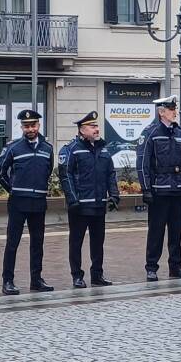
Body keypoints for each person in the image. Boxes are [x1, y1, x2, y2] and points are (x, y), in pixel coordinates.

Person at [0, 109, 55, 295]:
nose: (30, 129)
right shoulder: (13, 148)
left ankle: (36, 279)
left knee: (38, 243)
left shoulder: (48, 148)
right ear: (21, 127)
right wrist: (12, 189)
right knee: (13, 243)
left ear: (38, 125)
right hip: (18, 202)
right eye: (26, 126)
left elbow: (48, 170)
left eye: (33, 125)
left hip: (38, 201)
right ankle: (8, 281)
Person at [58, 111, 119, 288]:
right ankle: (77, 275)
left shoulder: (103, 149)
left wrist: (114, 195)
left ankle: (97, 275)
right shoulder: (71, 150)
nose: (97, 129)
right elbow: (65, 176)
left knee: (98, 242)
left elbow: (110, 174)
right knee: (76, 242)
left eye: (96, 126)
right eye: (92, 127)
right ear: (82, 130)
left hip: (99, 204)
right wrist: (72, 200)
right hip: (80, 206)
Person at [138, 95, 181, 281]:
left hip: (177, 189)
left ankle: (175, 267)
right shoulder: (150, 133)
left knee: (176, 231)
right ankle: (151, 267)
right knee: (156, 231)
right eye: (170, 109)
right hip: (159, 189)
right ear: (161, 112)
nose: (174, 112)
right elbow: (143, 162)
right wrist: (146, 188)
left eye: (174, 109)